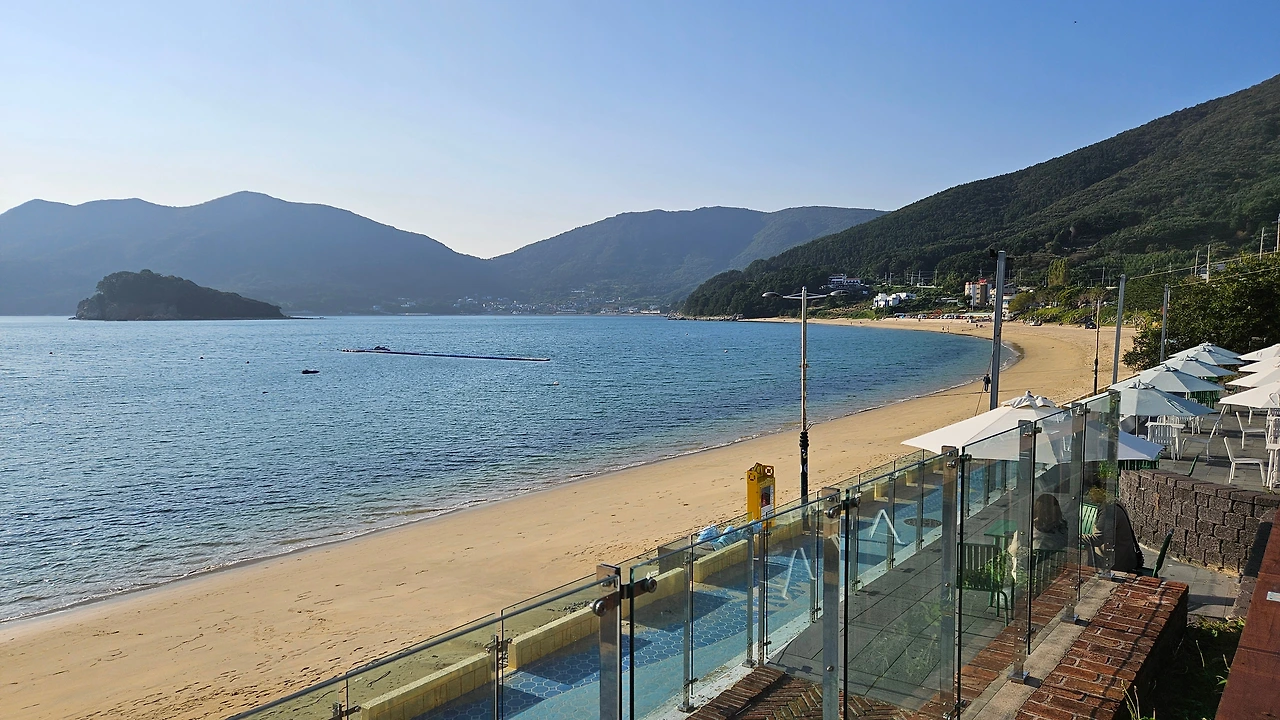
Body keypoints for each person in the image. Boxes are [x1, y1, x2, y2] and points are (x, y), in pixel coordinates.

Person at [1082, 498, 1143, 573]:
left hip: (1116, 564)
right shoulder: (1112, 503)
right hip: (1116, 557)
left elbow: (1097, 539)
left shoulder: (1109, 510)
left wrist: (1074, 537)